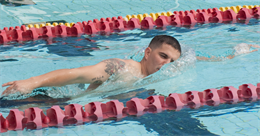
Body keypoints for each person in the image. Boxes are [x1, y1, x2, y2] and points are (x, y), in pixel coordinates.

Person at [2, 35, 182, 95]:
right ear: (148, 52)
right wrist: (32, 82)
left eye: (171, 61)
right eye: (163, 56)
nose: (167, 64)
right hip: (51, 103)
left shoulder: (153, 77)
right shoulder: (121, 67)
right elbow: (77, 74)